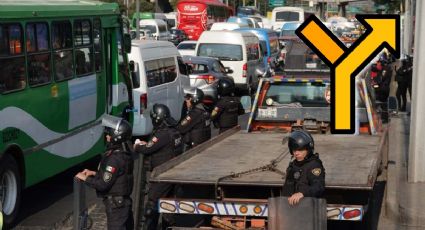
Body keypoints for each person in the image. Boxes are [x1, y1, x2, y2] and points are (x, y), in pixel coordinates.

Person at [75, 115, 134, 230]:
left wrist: (85, 178)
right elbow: (116, 177)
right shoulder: (125, 153)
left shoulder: (114, 159)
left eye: (109, 134)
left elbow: (102, 185)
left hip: (116, 207)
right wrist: (94, 173)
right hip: (123, 203)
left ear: (116, 137)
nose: (107, 137)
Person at [133, 104, 183, 230]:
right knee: (169, 204)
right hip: (173, 173)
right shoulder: (174, 130)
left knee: (152, 204)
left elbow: (147, 149)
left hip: (162, 175)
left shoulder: (162, 134)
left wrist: (138, 145)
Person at [282, 130, 325, 206]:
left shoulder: (314, 165)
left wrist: (303, 193)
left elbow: (318, 187)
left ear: (308, 149)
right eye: (294, 150)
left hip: (307, 208)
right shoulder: (293, 165)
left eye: (300, 150)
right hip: (290, 208)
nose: (296, 153)